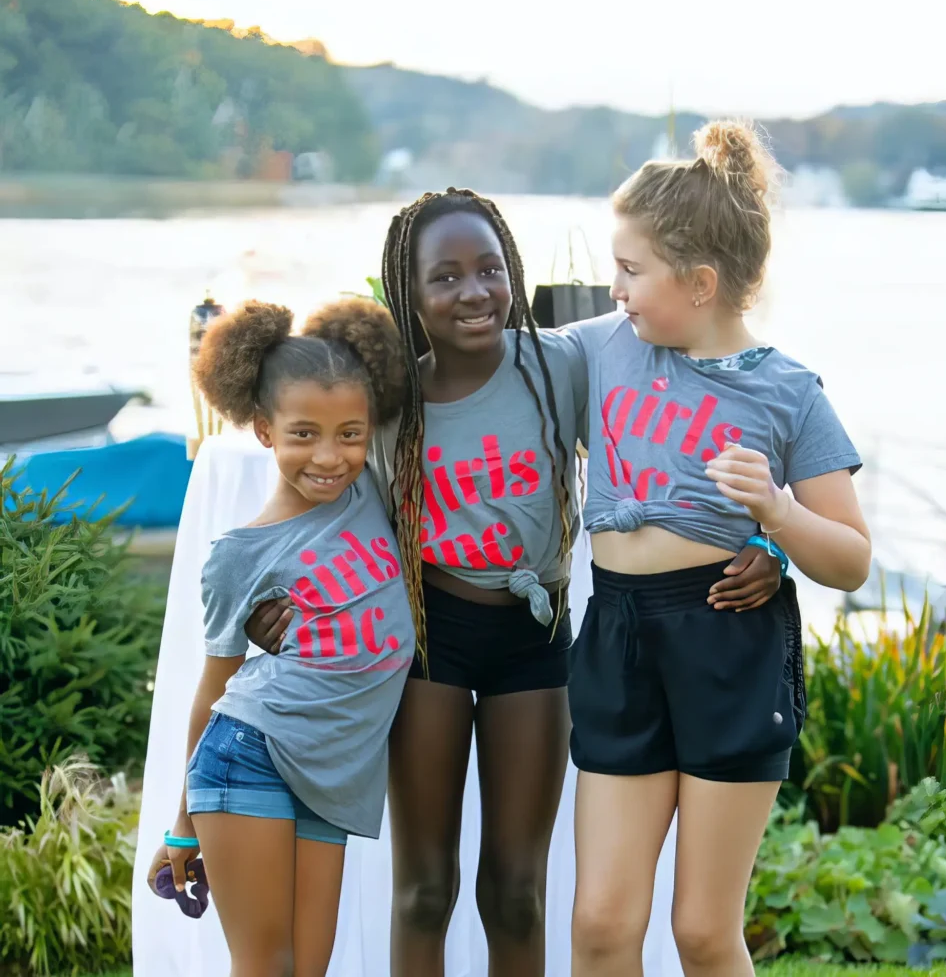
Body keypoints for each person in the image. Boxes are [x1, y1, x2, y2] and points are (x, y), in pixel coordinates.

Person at [246, 188, 784, 977]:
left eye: (489, 269)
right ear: (408, 291)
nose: (473, 292)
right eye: (446, 277)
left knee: (518, 890)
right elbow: (325, 504)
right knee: (425, 889)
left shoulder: (559, 362)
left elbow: (701, 379)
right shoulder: (391, 401)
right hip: (429, 635)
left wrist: (766, 534)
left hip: (532, 640)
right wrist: (283, 596)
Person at [563, 122, 872, 977]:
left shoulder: (790, 393)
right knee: (599, 923)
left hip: (728, 641)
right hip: (620, 634)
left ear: (699, 283)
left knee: (702, 930)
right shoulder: (601, 346)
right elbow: (486, 366)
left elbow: (850, 559)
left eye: (631, 271)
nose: (613, 289)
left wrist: (774, 515)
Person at [146, 296, 412, 977]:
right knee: (267, 965)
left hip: (331, 776)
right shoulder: (241, 554)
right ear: (264, 431)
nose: (329, 456)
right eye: (303, 434)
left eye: (350, 433)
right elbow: (213, 690)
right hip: (248, 760)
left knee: (309, 969)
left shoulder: (370, 493)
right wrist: (181, 825)